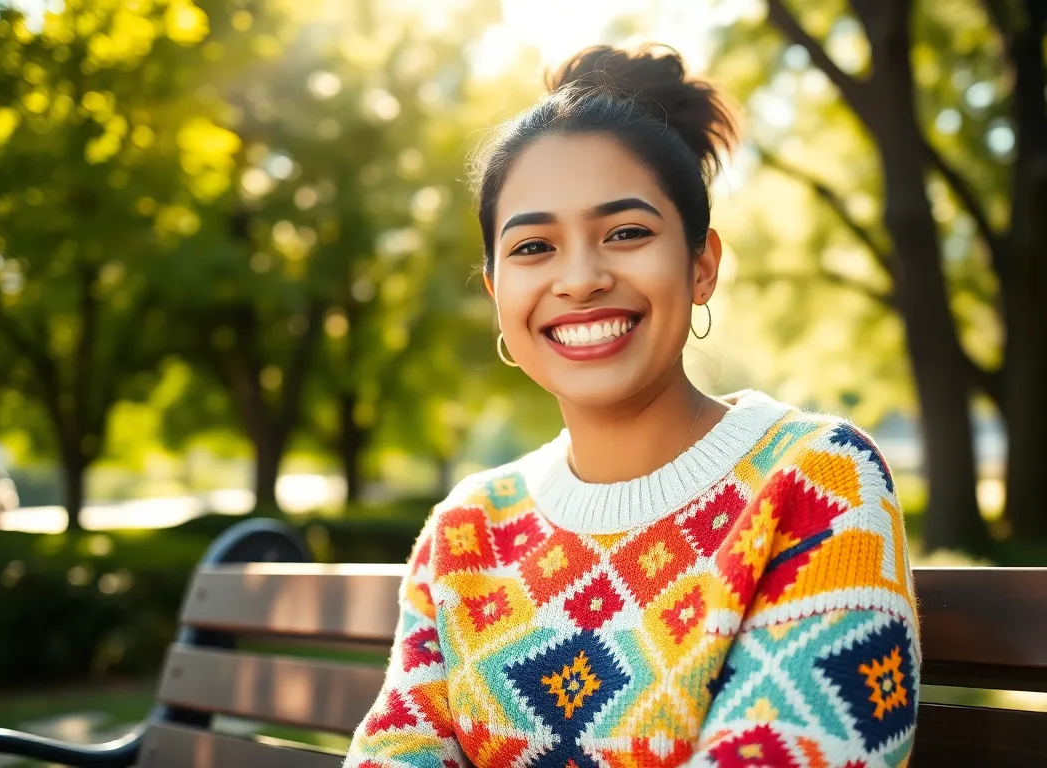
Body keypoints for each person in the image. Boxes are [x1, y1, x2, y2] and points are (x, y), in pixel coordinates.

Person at [343, 44, 919, 768]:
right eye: (533, 247)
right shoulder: (465, 531)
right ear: (497, 295)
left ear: (702, 265)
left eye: (626, 233)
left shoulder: (816, 482)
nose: (580, 279)